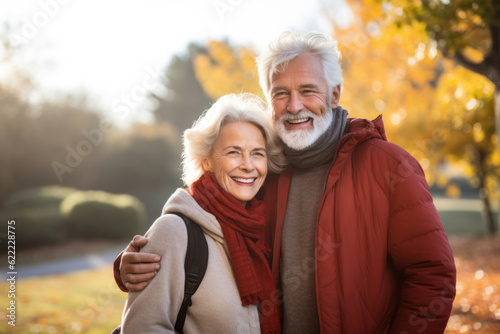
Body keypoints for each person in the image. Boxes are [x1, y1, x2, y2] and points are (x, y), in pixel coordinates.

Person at [115, 32, 456, 334]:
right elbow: (204, 220)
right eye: (281, 93)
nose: (294, 106)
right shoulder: (266, 171)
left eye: (308, 90)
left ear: (334, 94)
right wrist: (132, 264)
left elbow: (432, 275)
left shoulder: (387, 165)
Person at [119, 93, 285, 333]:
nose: (248, 165)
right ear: (207, 161)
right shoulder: (174, 230)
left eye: (257, 153)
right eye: (233, 152)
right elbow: (142, 328)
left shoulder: (261, 229)